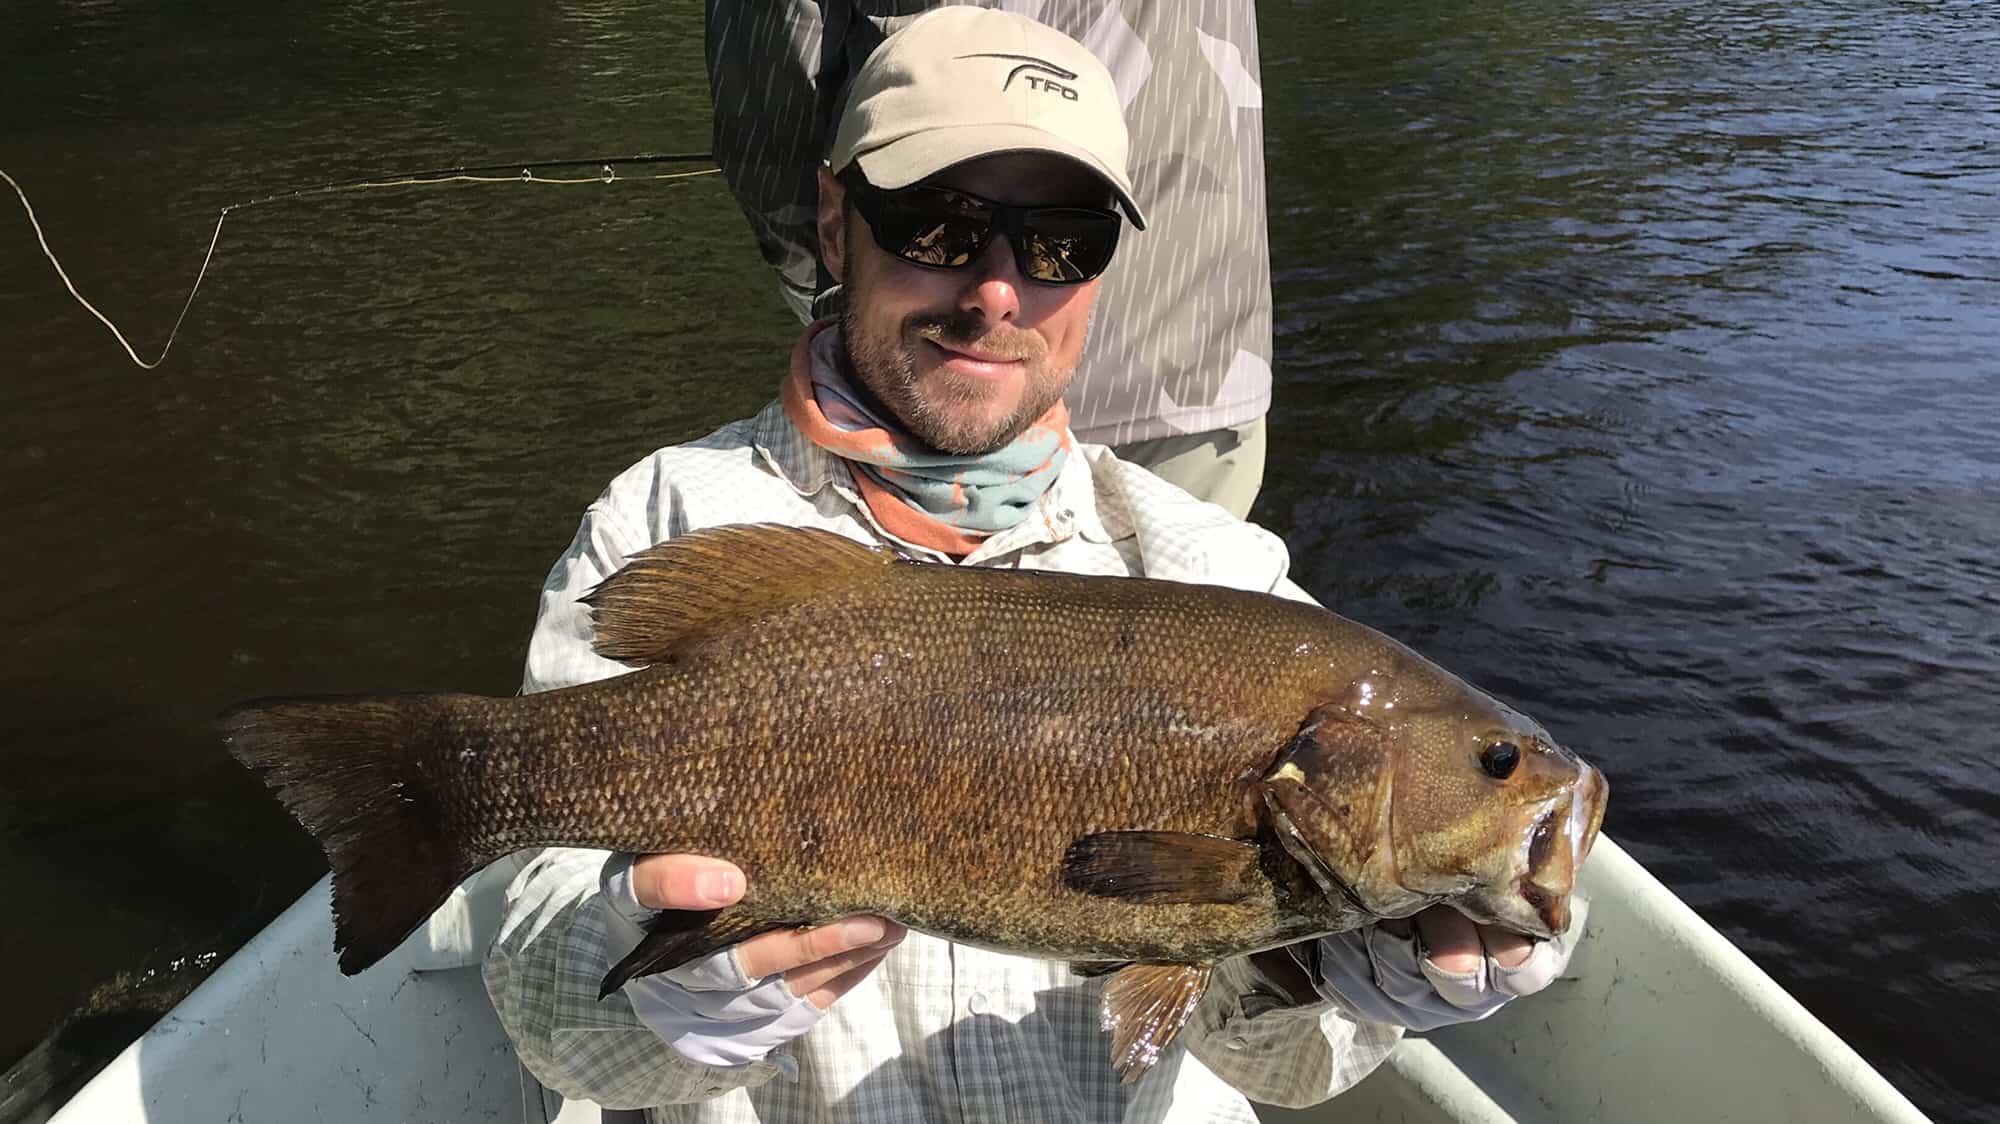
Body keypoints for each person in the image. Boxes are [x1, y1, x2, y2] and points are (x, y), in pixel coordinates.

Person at [484, 10, 1583, 1121]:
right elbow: (546, 1010)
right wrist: (644, 989)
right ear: (833, 223)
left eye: (1063, 240)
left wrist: (1354, 975)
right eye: (935, 225)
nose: (997, 291)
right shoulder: (670, 513)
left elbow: (1283, 1068)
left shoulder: (1209, 562)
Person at [705, 0, 1273, 519]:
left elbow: (771, 137)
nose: (1000, 294)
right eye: (939, 218)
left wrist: (873, 282)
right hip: (1203, 362)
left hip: (912, 372)